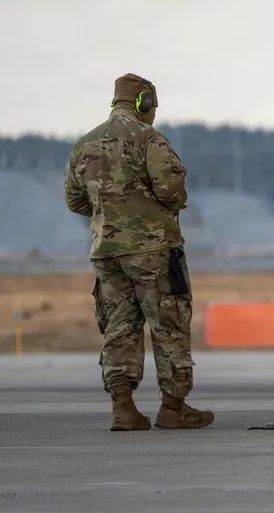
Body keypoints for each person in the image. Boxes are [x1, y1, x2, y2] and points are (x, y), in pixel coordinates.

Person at [64, 73, 213, 431]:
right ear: (143, 102)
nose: (154, 114)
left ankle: (123, 407)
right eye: (153, 107)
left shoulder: (85, 145)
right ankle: (174, 407)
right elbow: (171, 189)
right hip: (153, 250)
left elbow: (74, 199)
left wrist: (111, 213)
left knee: (118, 327)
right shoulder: (148, 139)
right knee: (169, 323)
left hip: (106, 253)